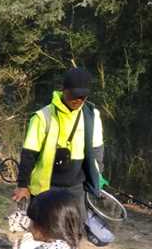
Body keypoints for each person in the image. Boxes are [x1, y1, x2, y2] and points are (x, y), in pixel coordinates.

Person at [12, 67, 104, 221]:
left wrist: (98, 178)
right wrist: (23, 185)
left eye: (82, 97)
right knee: (42, 232)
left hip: (76, 189)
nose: (78, 101)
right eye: (74, 95)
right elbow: (29, 153)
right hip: (45, 188)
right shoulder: (43, 117)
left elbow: (97, 151)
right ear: (64, 91)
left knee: (73, 233)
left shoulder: (92, 116)